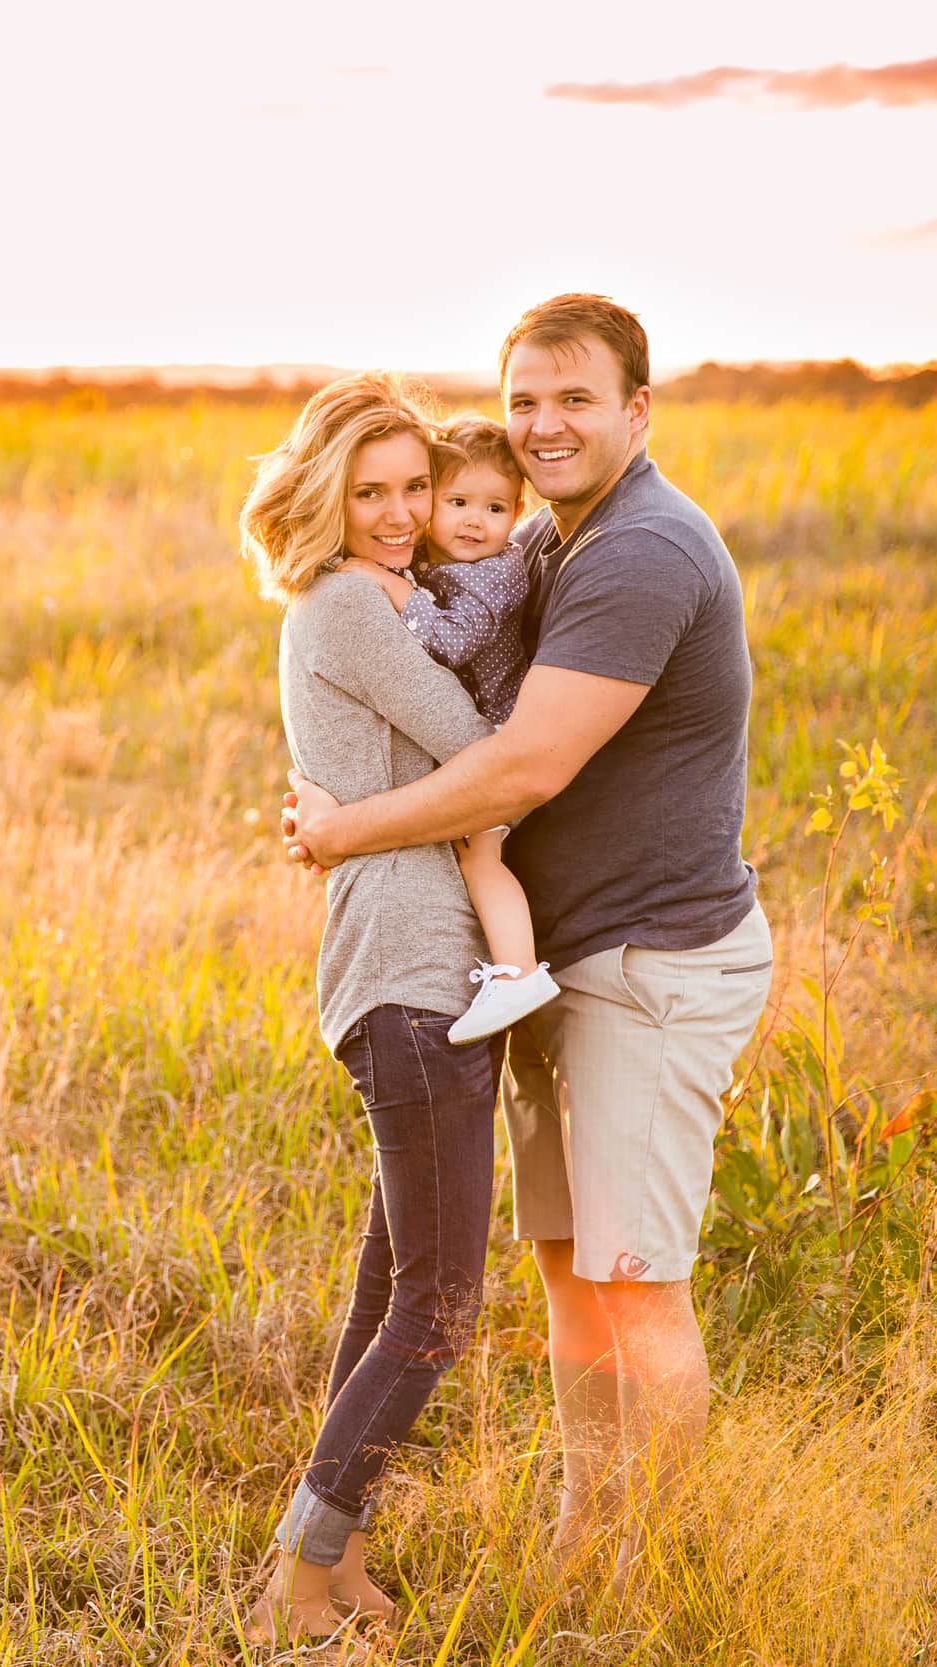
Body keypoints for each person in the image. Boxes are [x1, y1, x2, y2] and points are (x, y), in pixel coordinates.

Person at [281, 294, 773, 1573]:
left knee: (633, 1281)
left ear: (637, 410)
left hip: (645, 964)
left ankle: (650, 1576)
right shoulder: (555, 539)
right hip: (554, 968)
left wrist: (341, 829)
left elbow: (517, 767)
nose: (543, 425)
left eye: (574, 399)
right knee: (569, 1275)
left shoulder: (639, 550)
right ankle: (585, 1549)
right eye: (524, 400)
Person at [235, 370, 507, 1646]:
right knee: (441, 1297)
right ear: (324, 493)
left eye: (415, 487)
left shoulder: (389, 595)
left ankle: (333, 1562)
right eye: (372, 490)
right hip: (408, 972)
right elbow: (473, 739)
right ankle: (300, 1575)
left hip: (422, 969)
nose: (399, 513)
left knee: (390, 1286)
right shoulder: (345, 602)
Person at [348, 415, 559, 1045]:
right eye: (458, 502)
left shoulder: (498, 570)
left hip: (497, 735)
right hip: (474, 734)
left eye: (494, 507)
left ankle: (518, 970)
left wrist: (389, 587)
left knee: (481, 857)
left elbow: (453, 638)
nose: (474, 521)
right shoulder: (442, 561)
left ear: (517, 512)